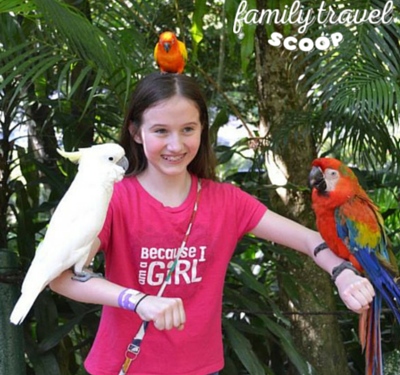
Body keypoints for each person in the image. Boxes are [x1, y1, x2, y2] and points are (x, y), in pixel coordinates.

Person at [50, 73, 375, 375]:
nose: (175, 145)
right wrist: (137, 300)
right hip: (120, 365)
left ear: (202, 129)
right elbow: (62, 278)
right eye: (161, 131)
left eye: (187, 129)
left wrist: (341, 272)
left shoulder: (227, 201)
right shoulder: (113, 200)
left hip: (201, 369)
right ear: (136, 132)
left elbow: (308, 240)